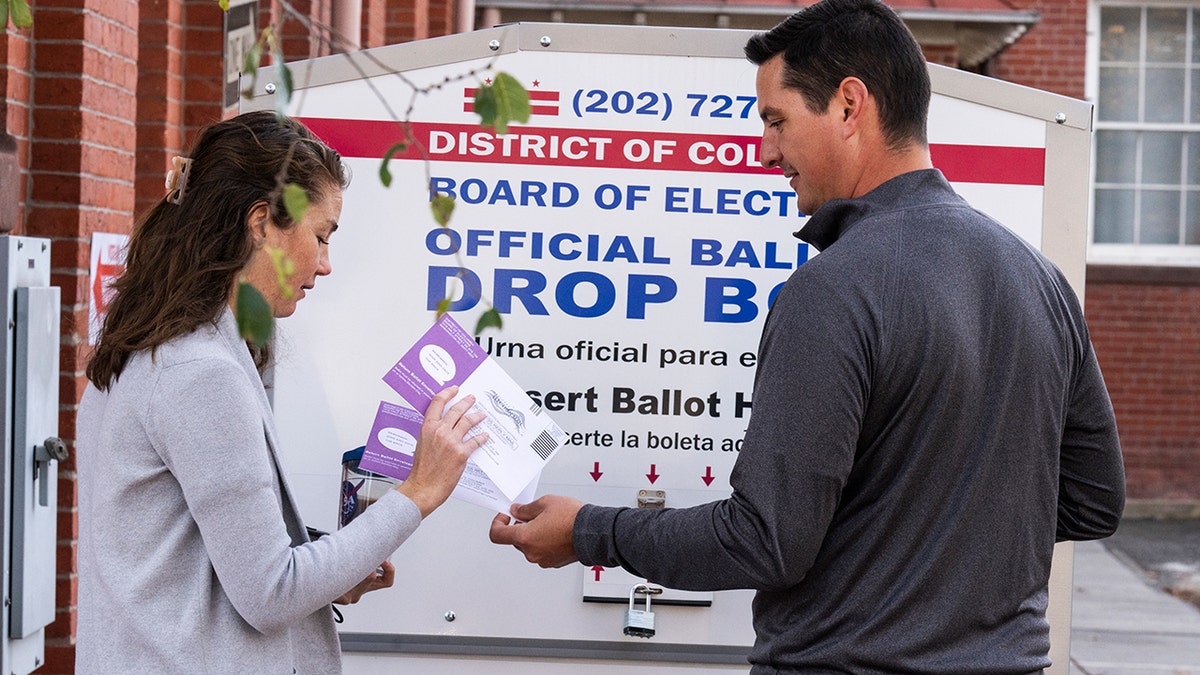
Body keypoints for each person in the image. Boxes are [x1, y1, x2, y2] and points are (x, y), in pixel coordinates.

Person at [489, 0, 1126, 671]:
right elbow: (1092, 500)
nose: (767, 151)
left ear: (851, 105)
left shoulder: (835, 289)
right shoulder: (1041, 280)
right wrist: (931, 537)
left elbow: (763, 539)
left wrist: (590, 529)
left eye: (776, 119)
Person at [76, 111, 488, 673]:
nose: (325, 264)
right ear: (262, 222)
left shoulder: (149, 345)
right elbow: (271, 593)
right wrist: (418, 491)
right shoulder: (200, 371)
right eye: (320, 236)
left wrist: (335, 566)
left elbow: (191, 555)